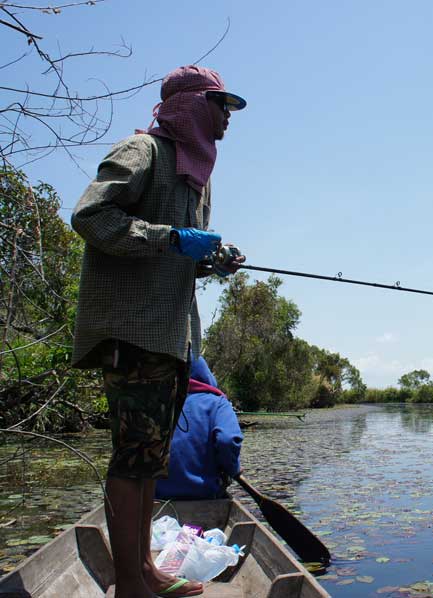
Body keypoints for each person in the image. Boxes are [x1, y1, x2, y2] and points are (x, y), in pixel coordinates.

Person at [70, 65, 247, 598]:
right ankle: (130, 584)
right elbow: (91, 217)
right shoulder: (142, 151)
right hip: (131, 332)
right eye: (222, 105)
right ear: (192, 105)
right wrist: (171, 237)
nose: (228, 118)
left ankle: (144, 568)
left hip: (173, 337)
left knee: (150, 459)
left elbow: (177, 258)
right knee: (132, 457)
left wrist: (212, 262)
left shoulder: (197, 177)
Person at [155, 356, 243, 500]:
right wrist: (233, 468)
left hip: (157, 496)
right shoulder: (218, 403)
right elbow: (227, 440)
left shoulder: (156, 402)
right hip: (205, 494)